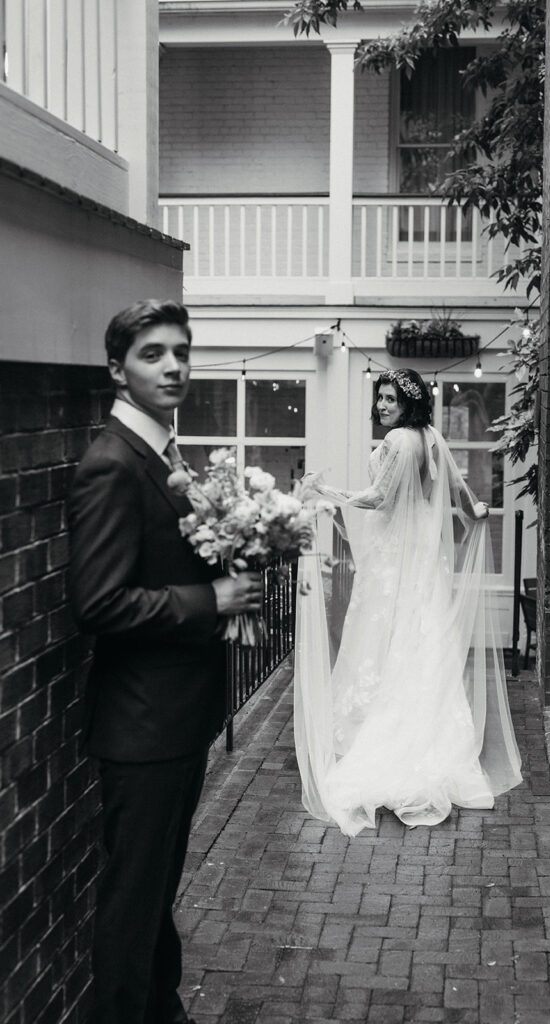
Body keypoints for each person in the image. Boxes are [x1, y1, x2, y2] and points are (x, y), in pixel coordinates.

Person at [68, 299, 263, 1024]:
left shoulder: (162, 451)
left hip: (177, 718)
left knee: (154, 898)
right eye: (153, 353)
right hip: (141, 726)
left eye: (181, 350)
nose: (174, 365)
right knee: (131, 905)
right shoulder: (112, 465)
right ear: (117, 369)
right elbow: (98, 603)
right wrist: (207, 597)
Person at [293, 368, 522, 837]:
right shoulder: (432, 436)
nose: (381, 406)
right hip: (424, 561)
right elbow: (459, 490)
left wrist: (324, 493)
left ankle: (390, 737)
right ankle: (434, 735)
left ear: (408, 404)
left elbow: (379, 498)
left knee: (384, 642)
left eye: (390, 399)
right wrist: (476, 509)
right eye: (379, 397)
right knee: (421, 643)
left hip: (395, 563)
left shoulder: (400, 441)